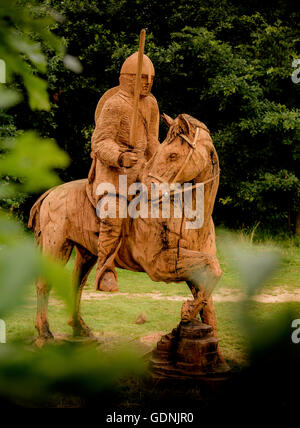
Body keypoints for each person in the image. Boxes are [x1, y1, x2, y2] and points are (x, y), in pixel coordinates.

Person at [86, 52, 160, 292]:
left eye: (151, 78)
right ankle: (105, 270)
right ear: (127, 78)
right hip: (112, 173)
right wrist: (119, 156)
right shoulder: (115, 104)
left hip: (141, 170)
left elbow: (151, 140)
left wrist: (160, 163)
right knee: (114, 213)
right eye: (142, 77)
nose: (148, 82)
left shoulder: (151, 104)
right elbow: (100, 141)